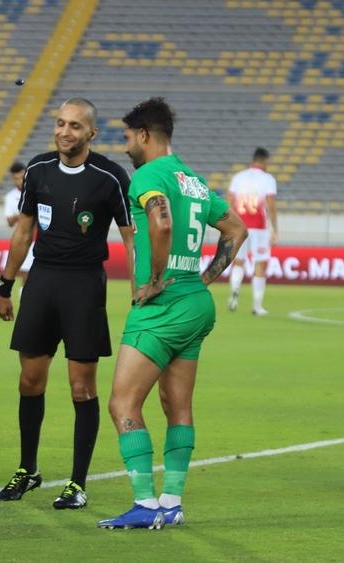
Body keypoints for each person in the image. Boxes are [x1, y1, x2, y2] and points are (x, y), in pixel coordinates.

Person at [98, 97, 247, 529]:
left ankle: (145, 505)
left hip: (161, 308)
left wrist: (156, 277)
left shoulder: (148, 175)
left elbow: (159, 222)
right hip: (195, 304)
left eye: (128, 138)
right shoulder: (195, 180)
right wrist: (204, 278)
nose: (125, 146)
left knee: (123, 403)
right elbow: (237, 229)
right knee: (176, 406)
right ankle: (172, 501)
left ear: (144, 135)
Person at [0, 98, 135, 509]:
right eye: (59, 123)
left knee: (81, 387)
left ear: (91, 133)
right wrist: (5, 285)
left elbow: (130, 237)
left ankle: (77, 482)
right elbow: (23, 232)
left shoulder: (110, 177)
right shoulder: (36, 170)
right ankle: (28, 469)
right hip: (42, 281)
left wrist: (139, 287)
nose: (64, 132)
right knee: (29, 380)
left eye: (75, 126)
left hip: (85, 285)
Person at [226, 147, 277, 316]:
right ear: (264, 161)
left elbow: (229, 201)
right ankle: (257, 306)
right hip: (258, 227)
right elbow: (270, 204)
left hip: (239, 225)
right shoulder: (267, 179)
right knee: (260, 263)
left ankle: (234, 293)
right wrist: (275, 228)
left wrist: (228, 224)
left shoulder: (238, 177)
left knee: (238, 261)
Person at [2, 160, 32, 287]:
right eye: (16, 178)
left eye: (22, 177)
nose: (20, 181)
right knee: (26, 276)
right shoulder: (10, 197)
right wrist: (24, 213)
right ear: (12, 179)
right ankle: (24, 305)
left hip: (41, 239)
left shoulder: (35, 191)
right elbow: (9, 221)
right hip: (23, 239)